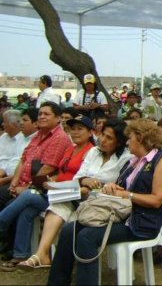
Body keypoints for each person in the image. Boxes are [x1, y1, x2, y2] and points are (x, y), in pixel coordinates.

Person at [47, 119, 162, 285]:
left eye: (130, 138)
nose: (127, 142)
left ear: (141, 138)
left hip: (141, 223)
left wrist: (127, 195)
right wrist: (114, 188)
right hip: (122, 216)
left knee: (87, 237)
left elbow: (156, 200)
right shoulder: (134, 161)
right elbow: (124, 190)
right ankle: (56, 282)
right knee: (69, 230)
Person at [16, 118, 131, 270]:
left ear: (118, 143)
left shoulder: (125, 158)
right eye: (102, 134)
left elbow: (120, 186)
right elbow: (78, 177)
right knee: (57, 204)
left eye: (109, 138)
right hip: (80, 197)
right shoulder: (93, 152)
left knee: (37, 202)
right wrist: (86, 180)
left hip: (102, 204)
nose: (102, 140)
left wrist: (95, 187)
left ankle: (39, 254)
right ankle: (41, 254)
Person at [0, 115, 95, 271]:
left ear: (90, 132)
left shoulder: (90, 152)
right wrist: (51, 180)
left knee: (29, 195)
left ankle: (2, 223)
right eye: (73, 129)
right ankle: (20, 254)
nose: (75, 132)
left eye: (80, 129)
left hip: (70, 197)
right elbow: (60, 171)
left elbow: (82, 178)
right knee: (28, 210)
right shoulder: (70, 149)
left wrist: (57, 185)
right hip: (54, 191)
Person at [0, 110, 25, 186]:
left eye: (4, 122)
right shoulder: (3, 137)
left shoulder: (23, 139)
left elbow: (16, 162)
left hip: (12, 177)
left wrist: (2, 172)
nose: (2, 124)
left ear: (13, 125)